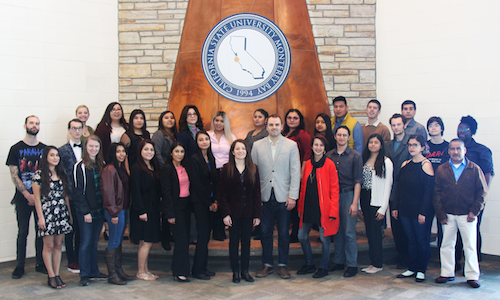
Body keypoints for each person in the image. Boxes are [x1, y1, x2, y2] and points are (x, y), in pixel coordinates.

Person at [434, 139, 488, 289]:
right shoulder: (442, 169)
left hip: (467, 215)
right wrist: (441, 213)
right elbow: (437, 193)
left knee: (470, 245)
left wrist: (474, 212)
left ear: (465, 151)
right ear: (449, 151)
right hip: (448, 214)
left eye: (459, 149)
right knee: (446, 245)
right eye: (452, 149)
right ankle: (447, 273)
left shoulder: (474, 168)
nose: (455, 151)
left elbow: (482, 192)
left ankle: (472, 276)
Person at [252, 114, 301, 279]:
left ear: (281, 126)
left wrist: (293, 196)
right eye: (271, 125)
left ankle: (282, 265)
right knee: (265, 232)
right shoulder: (257, 146)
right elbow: (253, 172)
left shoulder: (291, 145)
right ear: (266, 126)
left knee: (283, 233)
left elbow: (295, 172)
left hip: (284, 196)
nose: (274, 127)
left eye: (277, 125)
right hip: (264, 196)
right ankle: (267, 264)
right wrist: (254, 197)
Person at [6, 115, 47, 279]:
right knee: (22, 232)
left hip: (40, 198)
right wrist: (27, 194)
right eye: (31, 123)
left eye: (37, 123)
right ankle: (20, 265)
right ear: (25, 125)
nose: (34, 125)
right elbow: (14, 175)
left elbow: (47, 174)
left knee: (41, 231)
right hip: (23, 198)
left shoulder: (44, 149)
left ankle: (40, 263)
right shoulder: (16, 148)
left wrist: (36, 196)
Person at [392, 134, 434, 283]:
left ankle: (421, 270)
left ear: (423, 147)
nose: (411, 148)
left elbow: (429, 192)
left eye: (415, 145)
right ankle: (412, 267)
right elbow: (399, 188)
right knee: (411, 240)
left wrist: (423, 212)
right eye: (410, 145)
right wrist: (396, 206)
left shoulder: (426, 165)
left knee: (421, 240)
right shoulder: (405, 164)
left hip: (421, 212)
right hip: (405, 210)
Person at [219, 140, 262, 283]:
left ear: (247, 151)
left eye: (243, 148)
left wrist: (257, 214)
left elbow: (257, 193)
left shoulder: (253, 168)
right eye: (237, 149)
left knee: (246, 243)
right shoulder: (226, 169)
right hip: (233, 213)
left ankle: (245, 271)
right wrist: (225, 214)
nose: (240, 151)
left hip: (248, 213)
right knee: (233, 242)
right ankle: (235, 272)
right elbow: (222, 194)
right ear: (232, 152)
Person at [297, 136, 339, 279]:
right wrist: (300, 207)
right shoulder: (308, 164)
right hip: (308, 207)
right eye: (316, 145)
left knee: (324, 238)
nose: (318, 147)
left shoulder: (330, 164)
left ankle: (323, 267)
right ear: (312, 146)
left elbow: (334, 189)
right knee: (301, 236)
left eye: (321, 145)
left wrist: (333, 210)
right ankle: (309, 264)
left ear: (325, 147)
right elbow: (303, 187)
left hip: (324, 209)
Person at [32, 146, 73, 289]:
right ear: (46, 157)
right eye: (52, 155)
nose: (55, 158)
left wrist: (69, 214)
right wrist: (40, 218)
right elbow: (37, 199)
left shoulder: (62, 174)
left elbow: (66, 196)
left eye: (57, 155)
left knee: (57, 245)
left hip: (61, 212)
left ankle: (57, 274)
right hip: (48, 213)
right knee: (48, 245)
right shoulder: (39, 175)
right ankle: (50, 275)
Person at [326, 126, 362, 278]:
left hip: (348, 195)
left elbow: (358, 181)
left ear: (349, 138)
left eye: (344, 135)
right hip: (333, 196)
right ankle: (339, 261)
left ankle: (352, 264)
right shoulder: (329, 156)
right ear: (335, 136)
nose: (341, 137)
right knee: (337, 230)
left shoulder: (355, 156)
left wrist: (355, 203)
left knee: (348, 232)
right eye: (339, 134)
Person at [457, 115, 494, 263]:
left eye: (465, 129)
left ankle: (472, 264)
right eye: (459, 128)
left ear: (472, 131)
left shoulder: (482, 150)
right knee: (457, 231)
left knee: (472, 231)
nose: (461, 131)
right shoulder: (454, 149)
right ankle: (456, 263)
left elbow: (488, 175)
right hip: (456, 198)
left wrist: (481, 198)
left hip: (474, 198)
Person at [73, 135, 108, 286]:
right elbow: (77, 191)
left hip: (99, 210)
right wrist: (85, 211)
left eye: (96, 147)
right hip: (86, 212)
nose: (93, 149)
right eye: (91, 146)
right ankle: (84, 274)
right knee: (86, 242)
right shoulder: (79, 166)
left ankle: (94, 270)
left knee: (94, 242)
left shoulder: (102, 164)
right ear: (85, 148)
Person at [360, 134, 393, 274]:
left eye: (376, 142)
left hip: (377, 201)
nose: (373, 144)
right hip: (365, 198)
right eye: (370, 142)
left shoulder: (386, 161)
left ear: (381, 145)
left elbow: (388, 185)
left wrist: (383, 207)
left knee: (375, 234)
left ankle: (377, 263)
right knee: (369, 233)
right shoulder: (364, 159)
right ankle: (372, 262)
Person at [101, 143, 133, 285]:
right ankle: (112, 275)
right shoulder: (109, 169)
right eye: (118, 151)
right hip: (115, 211)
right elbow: (108, 193)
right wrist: (113, 213)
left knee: (119, 240)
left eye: (123, 151)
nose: (121, 154)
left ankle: (118, 271)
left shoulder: (120, 168)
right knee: (113, 241)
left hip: (123, 209)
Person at [130, 139, 161, 281]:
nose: (149, 152)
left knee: (147, 241)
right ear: (140, 151)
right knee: (145, 241)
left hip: (152, 207)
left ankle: (145, 269)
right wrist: (141, 210)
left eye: (151, 150)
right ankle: (140, 271)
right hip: (142, 209)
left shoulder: (153, 166)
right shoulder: (137, 168)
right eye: (146, 149)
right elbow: (135, 191)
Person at [161, 142, 192, 282]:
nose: (180, 154)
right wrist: (170, 213)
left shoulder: (185, 167)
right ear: (171, 153)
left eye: (182, 151)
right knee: (181, 240)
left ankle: (180, 269)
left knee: (185, 240)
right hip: (175, 206)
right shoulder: (167, 169)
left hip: (186, 206)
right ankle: (180, 271)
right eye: (177, 151)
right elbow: (166, 193)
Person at [189, 131, 219, 280]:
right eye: (201, 140)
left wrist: (215, 201)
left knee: (206, 236)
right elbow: (197, 184)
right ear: (197, 142)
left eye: (206, 139)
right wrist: (208, 203)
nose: (204, 142)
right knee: (202, 236)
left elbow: (214, 180)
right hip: (200, 203)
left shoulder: (211, 158)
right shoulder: (194, 159)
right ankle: (197, 270)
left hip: (211, 202)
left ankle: (203, 267)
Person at [384, 113, 411, 269]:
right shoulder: (388, 145)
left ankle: (408, 256)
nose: (396, 127)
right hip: (391, 188)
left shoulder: (411, 144)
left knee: (405, 223)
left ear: (404, 125)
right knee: (395, 224)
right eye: (393, 125)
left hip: (406, 189)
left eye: (398, 124)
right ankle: (400, 253)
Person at [59, 119, 84, 274]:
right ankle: (71, 260)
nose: (76, 131)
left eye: (79, 128)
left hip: (84, 195)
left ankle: (81, 258)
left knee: (82, 229)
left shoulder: (87, 148)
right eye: (73, 128)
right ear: (69, 130)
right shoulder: (62, 150)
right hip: (69, 195)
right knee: (70, 229)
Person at [283, 108, 311, 243]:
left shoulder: (302, 134)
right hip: (285, 174)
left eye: (295, 118)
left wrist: (302, 171)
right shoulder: (284, 133)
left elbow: (307, 153)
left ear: (300, 120)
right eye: (289, 117)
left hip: (296, 174)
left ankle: (295, 233)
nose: (292, 120)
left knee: (295, 205)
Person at [151, 110, 177, 251]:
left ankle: (169, 233)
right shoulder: (159, 134)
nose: (170, 120)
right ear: (161, 120)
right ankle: (164, 236)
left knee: (172, 203)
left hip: (174, 173)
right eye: (166, 117)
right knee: (166, 204)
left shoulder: (174, 135)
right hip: (164, 173)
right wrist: (165, 168)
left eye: (172, 117)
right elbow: (156, 153)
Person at [208, 111, 236, 241]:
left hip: (226, 173)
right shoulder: (207, 135)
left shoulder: (231, 138)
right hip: (210, 172)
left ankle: (221, 230)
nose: (218, 123)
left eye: (221, 121)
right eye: (216, 120)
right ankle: (212, 229)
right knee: (212, 200)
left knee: (224, 200)